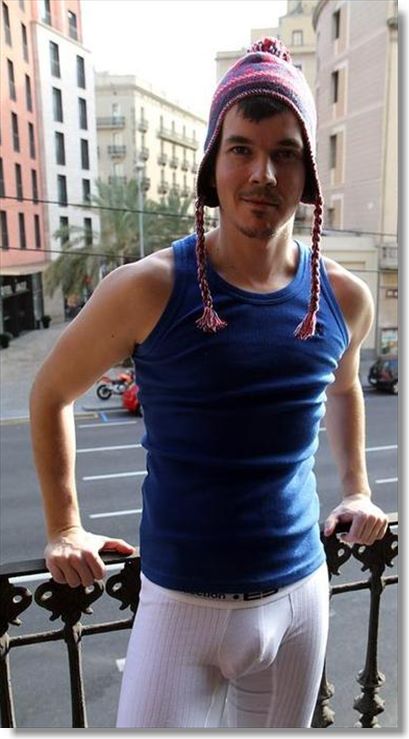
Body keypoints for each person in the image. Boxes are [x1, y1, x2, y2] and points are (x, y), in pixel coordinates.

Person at [30, 38, 388, 729]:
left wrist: (357, 489)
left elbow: (343, 389)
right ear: (211, 164)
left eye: (286, 153)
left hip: (299, 600)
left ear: (308, 172)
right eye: (241, 148)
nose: (262, 173)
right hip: (180, 605)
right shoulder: (146, 288)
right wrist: (64, 525)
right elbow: (50, 392)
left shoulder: (343, 298)